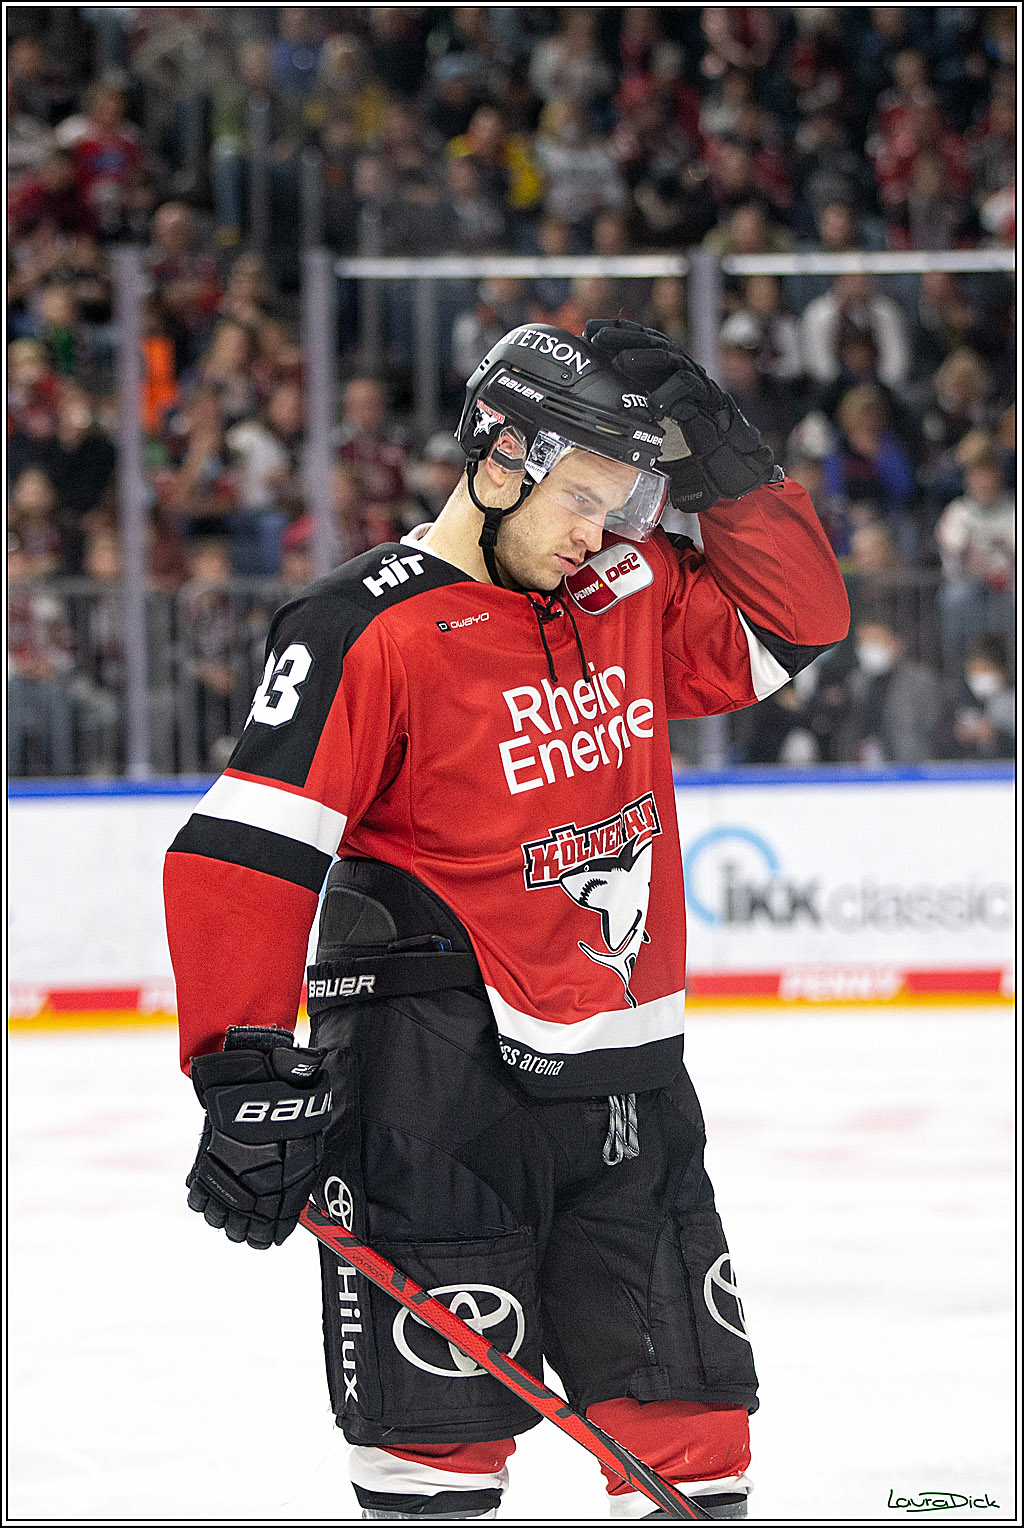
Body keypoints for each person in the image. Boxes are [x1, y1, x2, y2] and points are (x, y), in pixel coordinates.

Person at [164, 321, 849, 1521]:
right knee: (436, 1456)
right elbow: (246, 852)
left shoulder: (622, 590)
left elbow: (796, 623)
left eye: (624, 501)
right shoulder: (359, 626)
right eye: (582, 496)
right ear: (497, 461)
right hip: (435, 1100)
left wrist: (731, 469)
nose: (601, 530)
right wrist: (241, 1072)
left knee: (697, 1440)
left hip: (630, 1086)